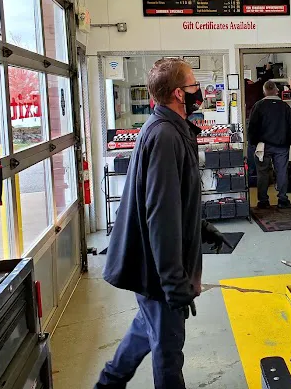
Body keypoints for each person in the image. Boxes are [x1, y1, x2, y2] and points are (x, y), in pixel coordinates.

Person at [96, 58, 230, 389]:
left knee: (145, 329)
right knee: (168, 352)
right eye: (193, 84)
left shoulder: (171, 128)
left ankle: (107, 384)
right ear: (178, 94)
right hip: (157, 271)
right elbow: (161, 214)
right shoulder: (166, 136)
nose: (199, 90)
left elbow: (175, 197)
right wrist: (173, 284)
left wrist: (199, 226)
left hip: (154, 268)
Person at [248, 80, 291, 209]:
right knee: (281, 172)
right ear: (276, 91)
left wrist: (253, 143)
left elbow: (252, 126)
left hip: (263, 146)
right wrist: (290, 140)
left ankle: (263, 201)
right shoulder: (285, 107)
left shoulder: (258, 106)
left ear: (264, 91)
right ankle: (282, 199)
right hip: (282, 146)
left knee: (262, 173)